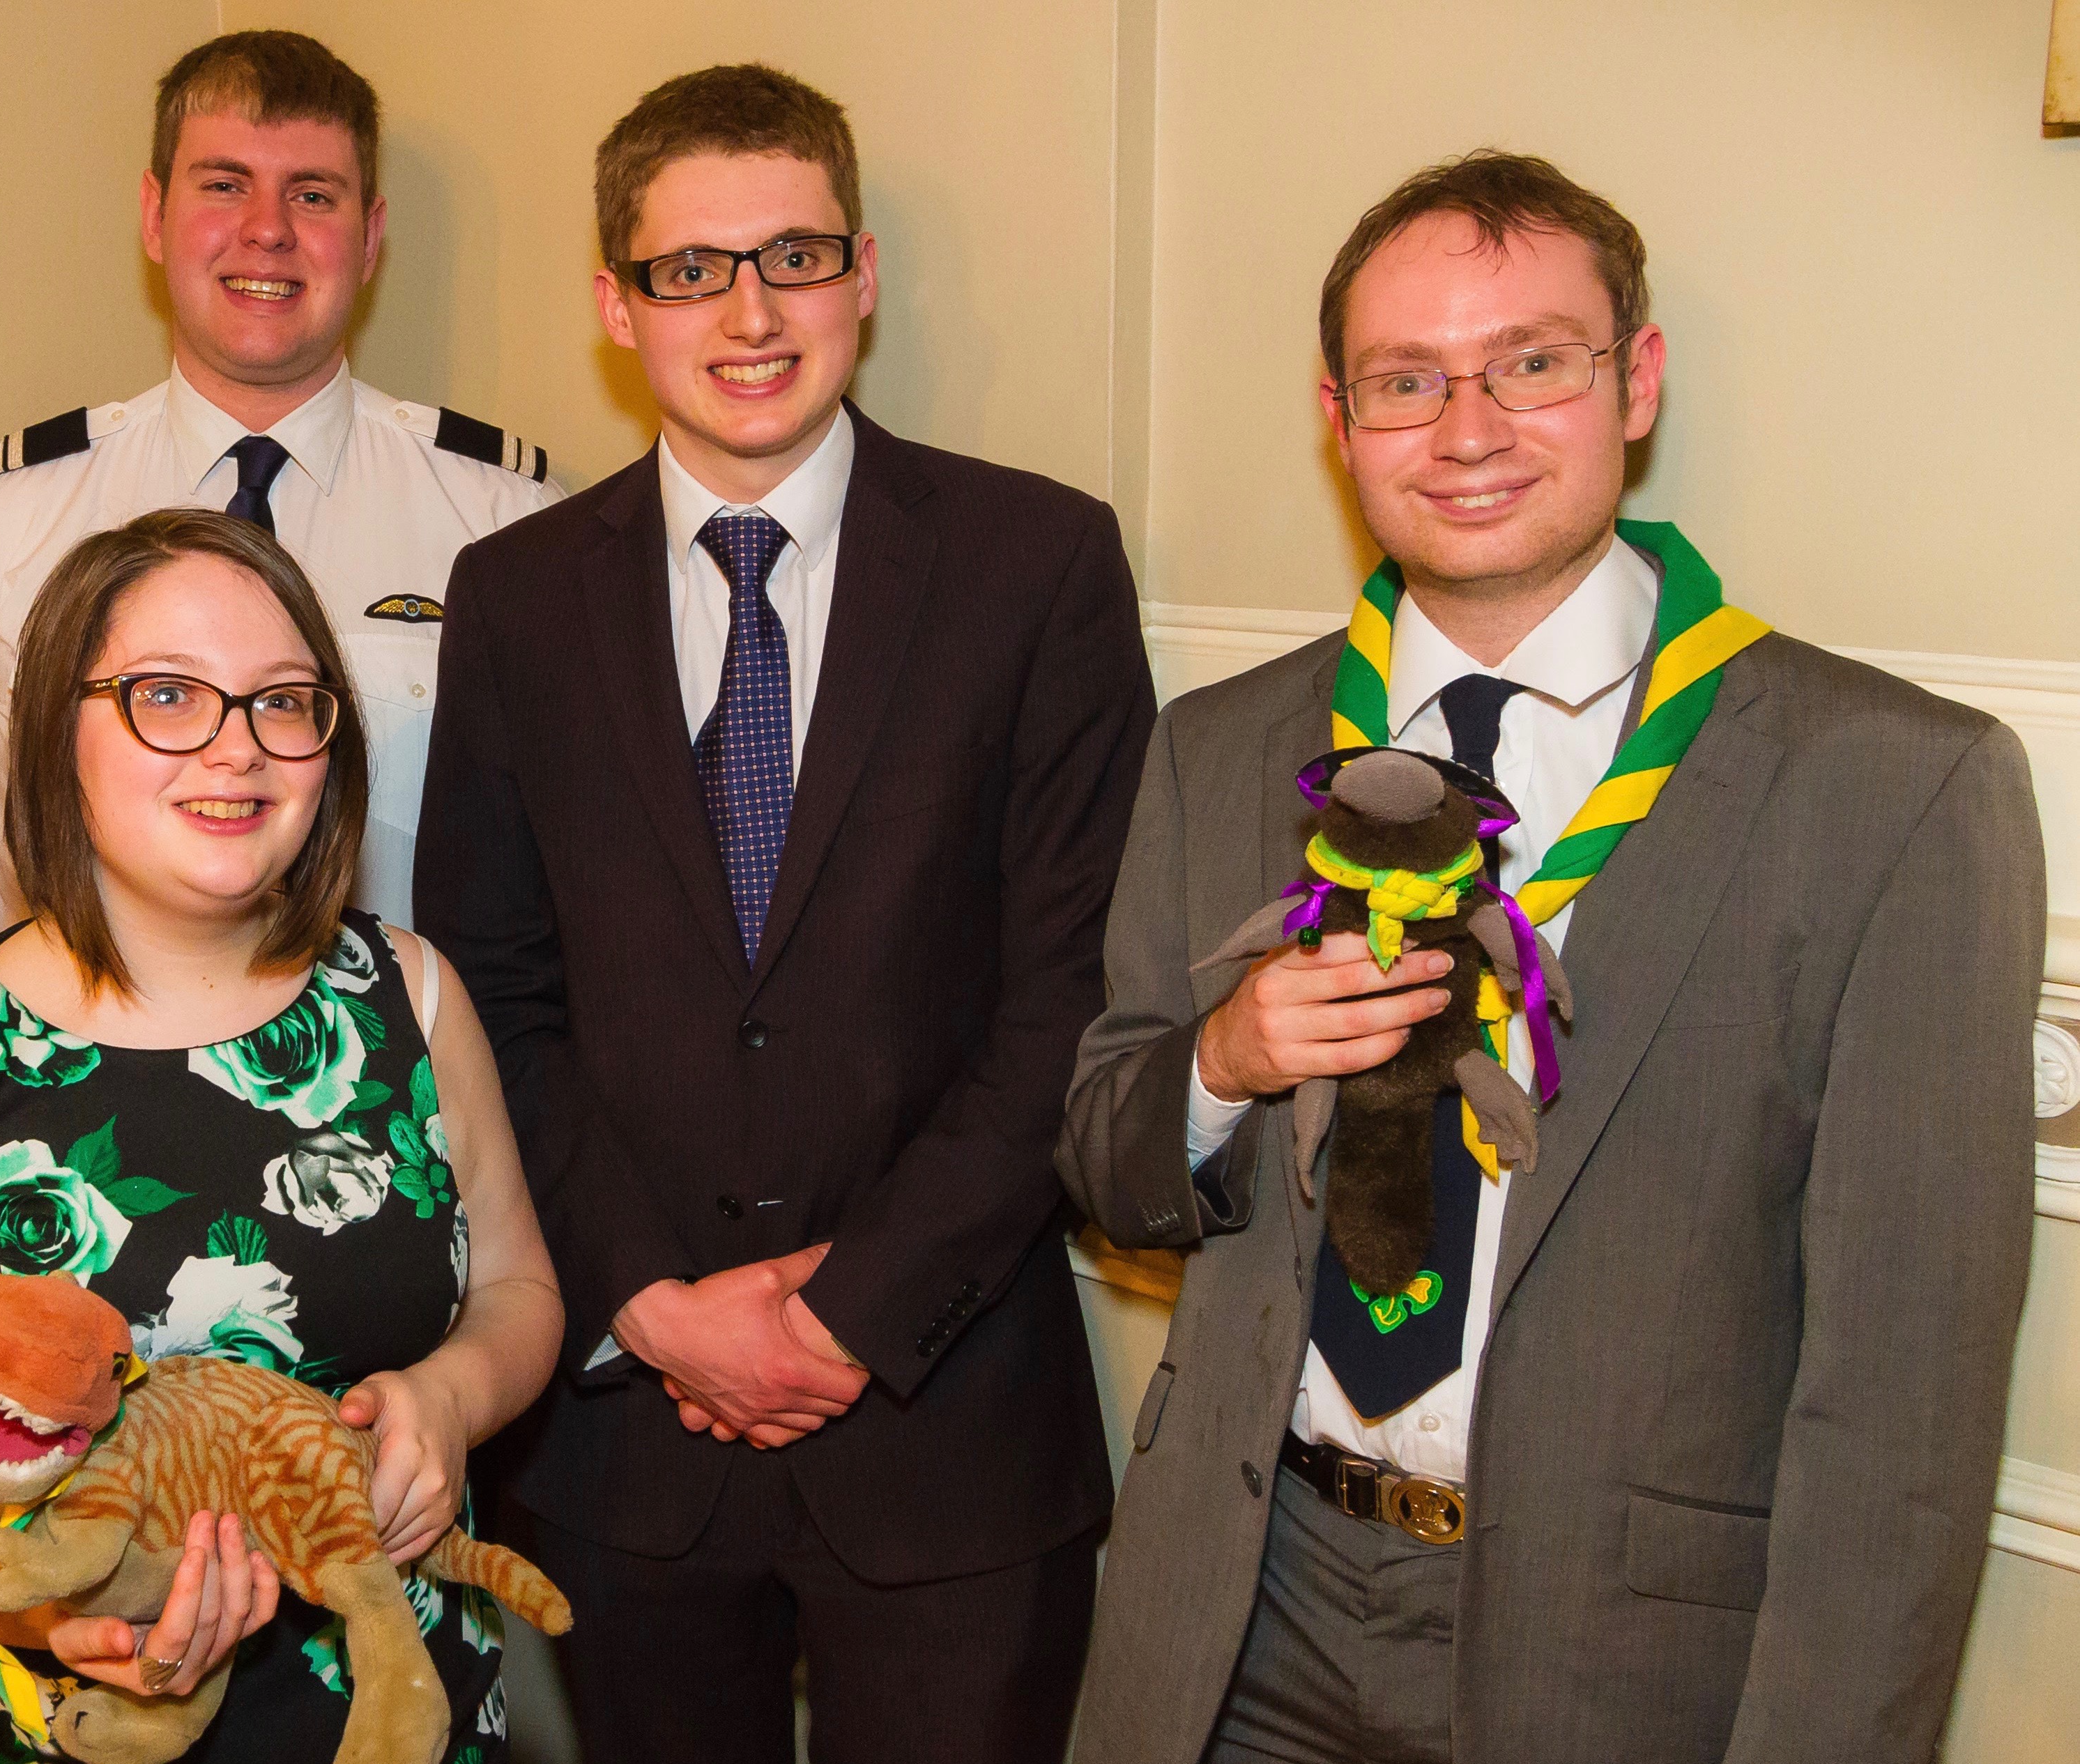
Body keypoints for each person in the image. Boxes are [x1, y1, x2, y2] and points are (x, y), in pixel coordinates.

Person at [1058, 152, 2044, 1764]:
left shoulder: (1895, 787)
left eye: (1532, 363)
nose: (1468, 431)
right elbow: (1107, 1168)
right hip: (1241, 1609)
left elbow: (1905, 1412)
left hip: (1621, 1661)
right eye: (1407, 380)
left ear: (1635, 382)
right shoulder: (1221, 748)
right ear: (1339, 416)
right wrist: (1220, 1064)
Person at [414, 64, 1154, 1764]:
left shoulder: (1037, 564)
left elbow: (1074, 996)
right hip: (627, 1448)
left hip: (952, 1433)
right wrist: (651, 1304)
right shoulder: (518, 598)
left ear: (862, 274)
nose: (750, 314)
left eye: (795, 258)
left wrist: (846, 1314)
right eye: (691, 270)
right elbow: (493, 994)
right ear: (618, 306)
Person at [0, 509, 565, 1763]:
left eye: (283, 702)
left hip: (411, 1713)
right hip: (71, 1727)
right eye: (168, 696)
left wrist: (454, 1397)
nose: (238, 748)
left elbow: (517, 1288)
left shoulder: (410, 997)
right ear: (55, 736)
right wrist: (42, 1611)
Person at [0, 29, 563, 1004]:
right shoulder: (7, 520)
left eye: (313, 195)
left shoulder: (504, 522)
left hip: (405, 1076)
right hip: (73, 1082)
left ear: (370, 236)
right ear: (155, 217)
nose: (267, 230)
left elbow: (558, 905)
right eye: (225, 185)